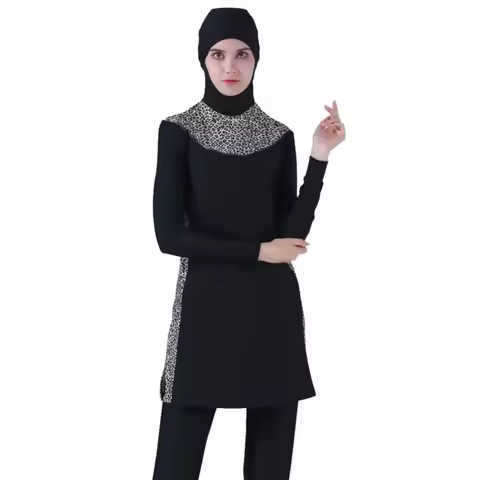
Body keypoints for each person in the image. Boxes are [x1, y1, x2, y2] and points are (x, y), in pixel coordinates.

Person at [151, 7, 346, 480]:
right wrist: (259, 251)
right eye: (218, 55)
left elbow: (290, 235)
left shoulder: (279, 137)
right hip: (203, 314)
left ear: (257, 58)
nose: (230, 67)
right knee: (175, 466)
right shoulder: (178, 131)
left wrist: (319, 157)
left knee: (270, 469)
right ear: (202, 59)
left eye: (242, 54)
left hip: (271, 316)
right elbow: (168, 235)